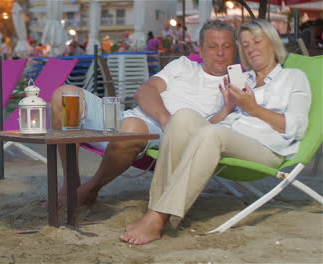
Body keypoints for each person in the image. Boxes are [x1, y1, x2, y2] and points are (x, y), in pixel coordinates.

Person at [119, 19, 311, 245]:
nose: (251, 47)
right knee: (183, 116)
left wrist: (253, 108)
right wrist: (225, 109)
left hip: (267, 148)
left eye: (257, 41)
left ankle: (157, 218)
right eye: (245, 44)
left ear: (273, 44)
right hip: (227, 137)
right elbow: (213, 123)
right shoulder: (241, 79)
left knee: (213, 134)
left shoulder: (292, 77)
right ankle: (156, 206)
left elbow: (296, 127)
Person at [50, 20, 236, 208]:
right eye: (213, 46)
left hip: (165, 137)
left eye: (226, 46)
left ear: (234, 49)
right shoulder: (182, 65)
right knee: (65, 95)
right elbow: (144, 91)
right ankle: (71, 180)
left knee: (131, 127)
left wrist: (225, 110)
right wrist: (166, 119)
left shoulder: (237, 85)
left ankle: (91, 189)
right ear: (201, 50)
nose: (220, 53)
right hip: (133, 119)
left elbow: (210, 132)